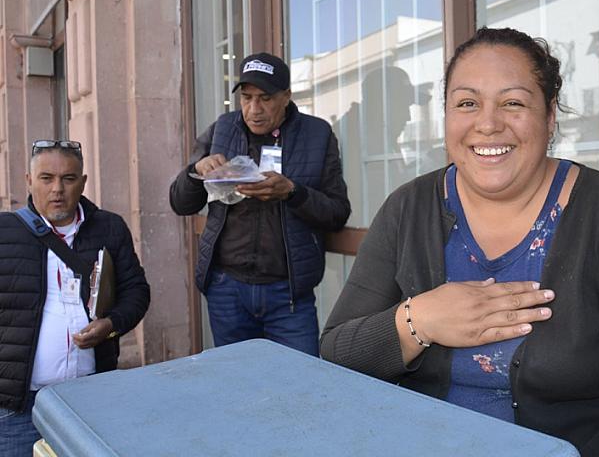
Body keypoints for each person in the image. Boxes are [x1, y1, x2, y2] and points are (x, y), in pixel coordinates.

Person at [320, 27, 599, 455]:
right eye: (467, 103)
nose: (488, 124)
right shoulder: (407, 209)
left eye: (513, 103)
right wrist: (420, 320)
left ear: (549, 117)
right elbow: (337, 353)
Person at [170, 52, 351, 356]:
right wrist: (195, 172)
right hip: (227, 289)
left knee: (300, 386)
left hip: (288, 296)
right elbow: (180, 203)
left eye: (265, 98)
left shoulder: (317, 135)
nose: (254, 109)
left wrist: (292, 192)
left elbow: (337, 213)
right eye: (246, 98)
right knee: (237, 386)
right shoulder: (222, 130)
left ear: (286, 97)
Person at [0, 140, 151, 456]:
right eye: (46, 178)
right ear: (29, 181)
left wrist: (110, 326)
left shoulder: (109, 227)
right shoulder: (5, 232)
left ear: (83, 182)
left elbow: (137, 293)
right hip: (17, 405)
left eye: (68, 179)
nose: (58, 189)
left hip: (92, 397)